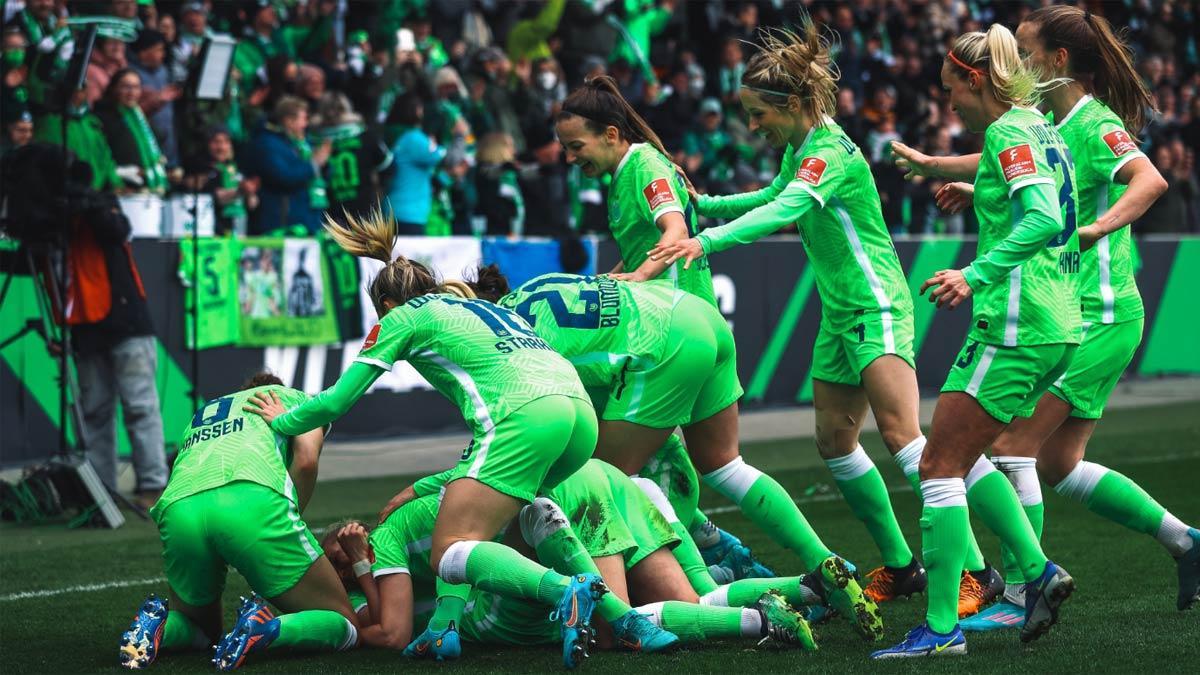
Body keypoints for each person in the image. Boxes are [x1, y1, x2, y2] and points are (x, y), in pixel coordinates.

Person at [649, 21, 1006, 612]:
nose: (754, 125)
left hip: (876, 303)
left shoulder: (830, 151)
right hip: (840, 314)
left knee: (904, 437)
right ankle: (902, 565)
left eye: (759, 113)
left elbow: (789, 205)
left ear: (789, 104)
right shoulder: (800, 149)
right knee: (835, 443)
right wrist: (706, 204)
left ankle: (977, 569)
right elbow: (773, 196)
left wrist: (706, 241)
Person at [243, 211, 674, 668]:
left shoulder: (401, 317)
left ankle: (566, 591)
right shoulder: (477, 305)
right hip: (578, 416)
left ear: (386, 304)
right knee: (505, 522)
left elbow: (335, 401)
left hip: (524, 415)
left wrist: (285, 419)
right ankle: (619, 623)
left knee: (449, 549)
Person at [894, 5, 1197, 626]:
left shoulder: (1093, 122)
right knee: (1057, 464)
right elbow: (1008, 165)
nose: (1019, 67)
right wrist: (942, 170)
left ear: (1058, 62)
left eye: (1028, 55)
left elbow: (1151, 181)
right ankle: (1186, 541)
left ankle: (1020, 593)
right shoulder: (1047, 122)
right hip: (1074, 312)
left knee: (1011, 448)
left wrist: (1092, 229)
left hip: (1097, 311)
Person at [470, 268, 882, 640]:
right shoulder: (536, 286)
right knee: (726, 465)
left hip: (662, 346)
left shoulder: (508, 340)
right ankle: (823, 563)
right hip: (695, 313)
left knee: (600, 488)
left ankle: (696, 562)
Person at [869, 25, 1082, 659]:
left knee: (938, 465)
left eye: (949, 89)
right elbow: (1036, 197)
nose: (948, 104)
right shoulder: (1037, 125)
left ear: (975, 79)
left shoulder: (1007, 131)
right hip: (1055, 320)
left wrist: (973, 272)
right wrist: (976, 187)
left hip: (1017, 324)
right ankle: (1036, 571)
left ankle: (940, 631)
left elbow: (1042, 215)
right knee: (965, 452)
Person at [116, 372, 359, 670]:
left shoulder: (204, 412)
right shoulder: (294, 399)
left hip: (179, 507)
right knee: (345, 622)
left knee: (201, 630)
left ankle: (157, 629)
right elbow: (306, 460)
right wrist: (290, 516)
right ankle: (266, 629)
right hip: (251, 502)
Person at [244, 95, 331, 234]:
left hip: (312, 217)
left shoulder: (305, 143)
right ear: (289, 121)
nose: (306, 124)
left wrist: (324, 164)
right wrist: (314, 164)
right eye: (303, 119)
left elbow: (321, 176)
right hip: (285, 223)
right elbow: (284, 176)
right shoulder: (268, 144)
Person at [95, 69, 170, 194]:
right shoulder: (103, 118)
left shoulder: (140, 117)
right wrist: (121, 173)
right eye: (126, 87)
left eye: (136, 87)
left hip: (146, 191)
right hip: (119, 190)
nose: (132, 93)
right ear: (113, 89)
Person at [384, 95, 443, 235]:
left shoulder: (396, 136)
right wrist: (458, 136)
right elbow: (441, 157)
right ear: (416, 111)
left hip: (393, 210)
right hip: (409, 214)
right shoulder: (414, 138)